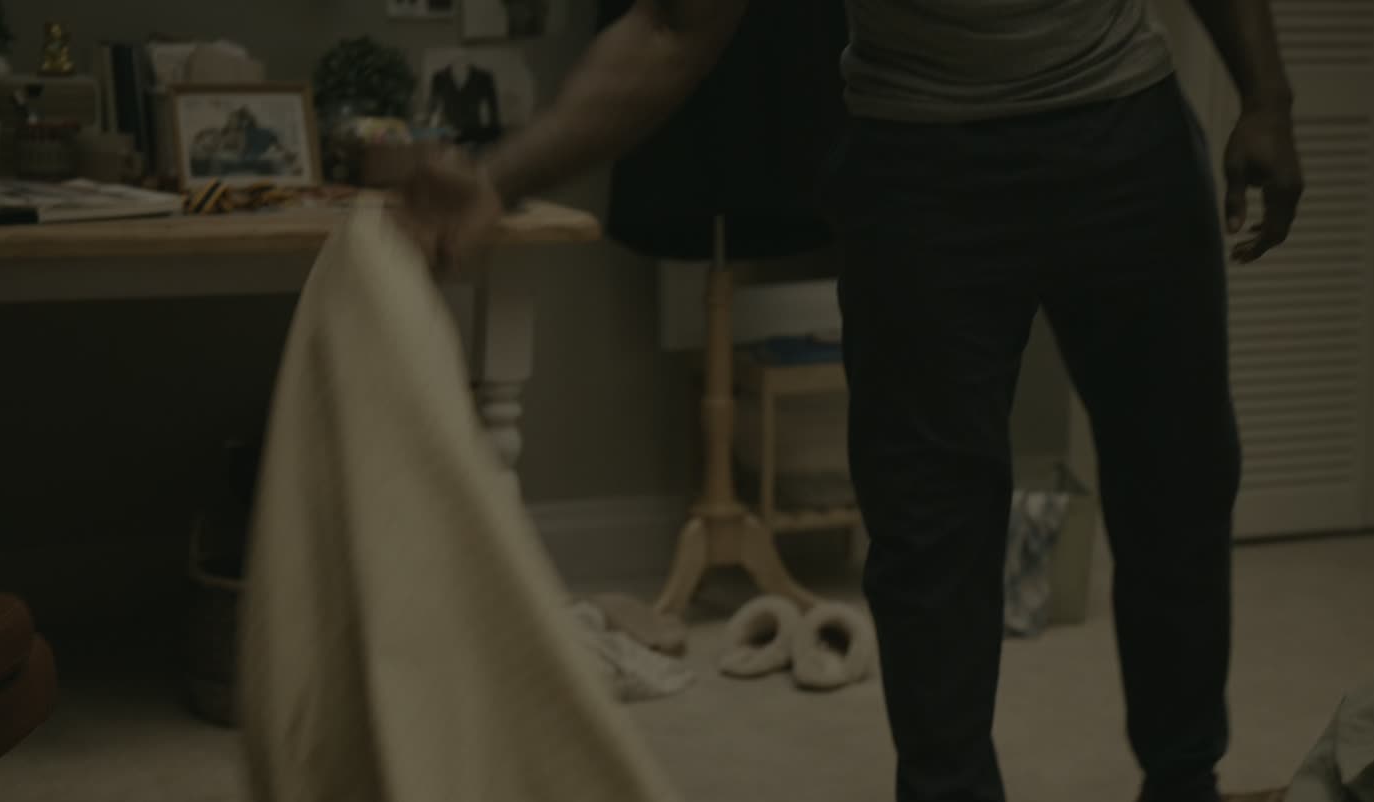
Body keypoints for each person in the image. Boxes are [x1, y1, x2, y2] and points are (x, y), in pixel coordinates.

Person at [401, 1, 1305, 801]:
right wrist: (496, 178)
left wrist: (1266, 97)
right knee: (928, 531)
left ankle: (1185, 782)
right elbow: (673, 26)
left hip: (1123, 135)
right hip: (920, 160)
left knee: (1178, 489)